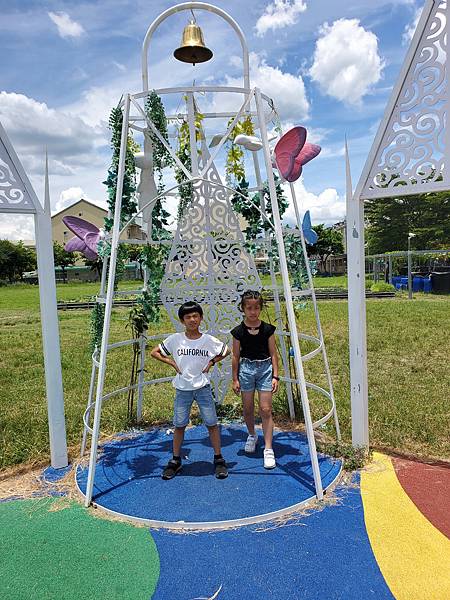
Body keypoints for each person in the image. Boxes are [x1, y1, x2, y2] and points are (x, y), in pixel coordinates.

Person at [150, 301, 230, 480]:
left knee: (212, 423)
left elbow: (226, 350)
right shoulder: (175, 339)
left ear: (201, 318)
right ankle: (175, 460)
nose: (192, 320)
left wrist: (211, 362)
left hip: (202, 387)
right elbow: (155, 352)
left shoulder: (208, 340)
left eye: (195, 316)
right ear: (182, 320)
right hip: (182, 388)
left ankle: (218, 459)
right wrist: (171, 362)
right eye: (188, 317)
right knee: (179, 424)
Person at [231, 290, 279, 469]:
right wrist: (234, 378)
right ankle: (252, 434)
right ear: (243, 309)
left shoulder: (268, 329)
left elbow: (274, 353)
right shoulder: (238, 332)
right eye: (249, 308)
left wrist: (275, 375)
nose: (253, 311)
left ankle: (268, 448)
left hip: (265, 369)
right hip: (246, 370)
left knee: (266, 409)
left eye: (256, 308)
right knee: (248, 407)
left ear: (260, 308)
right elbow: (235, 356)